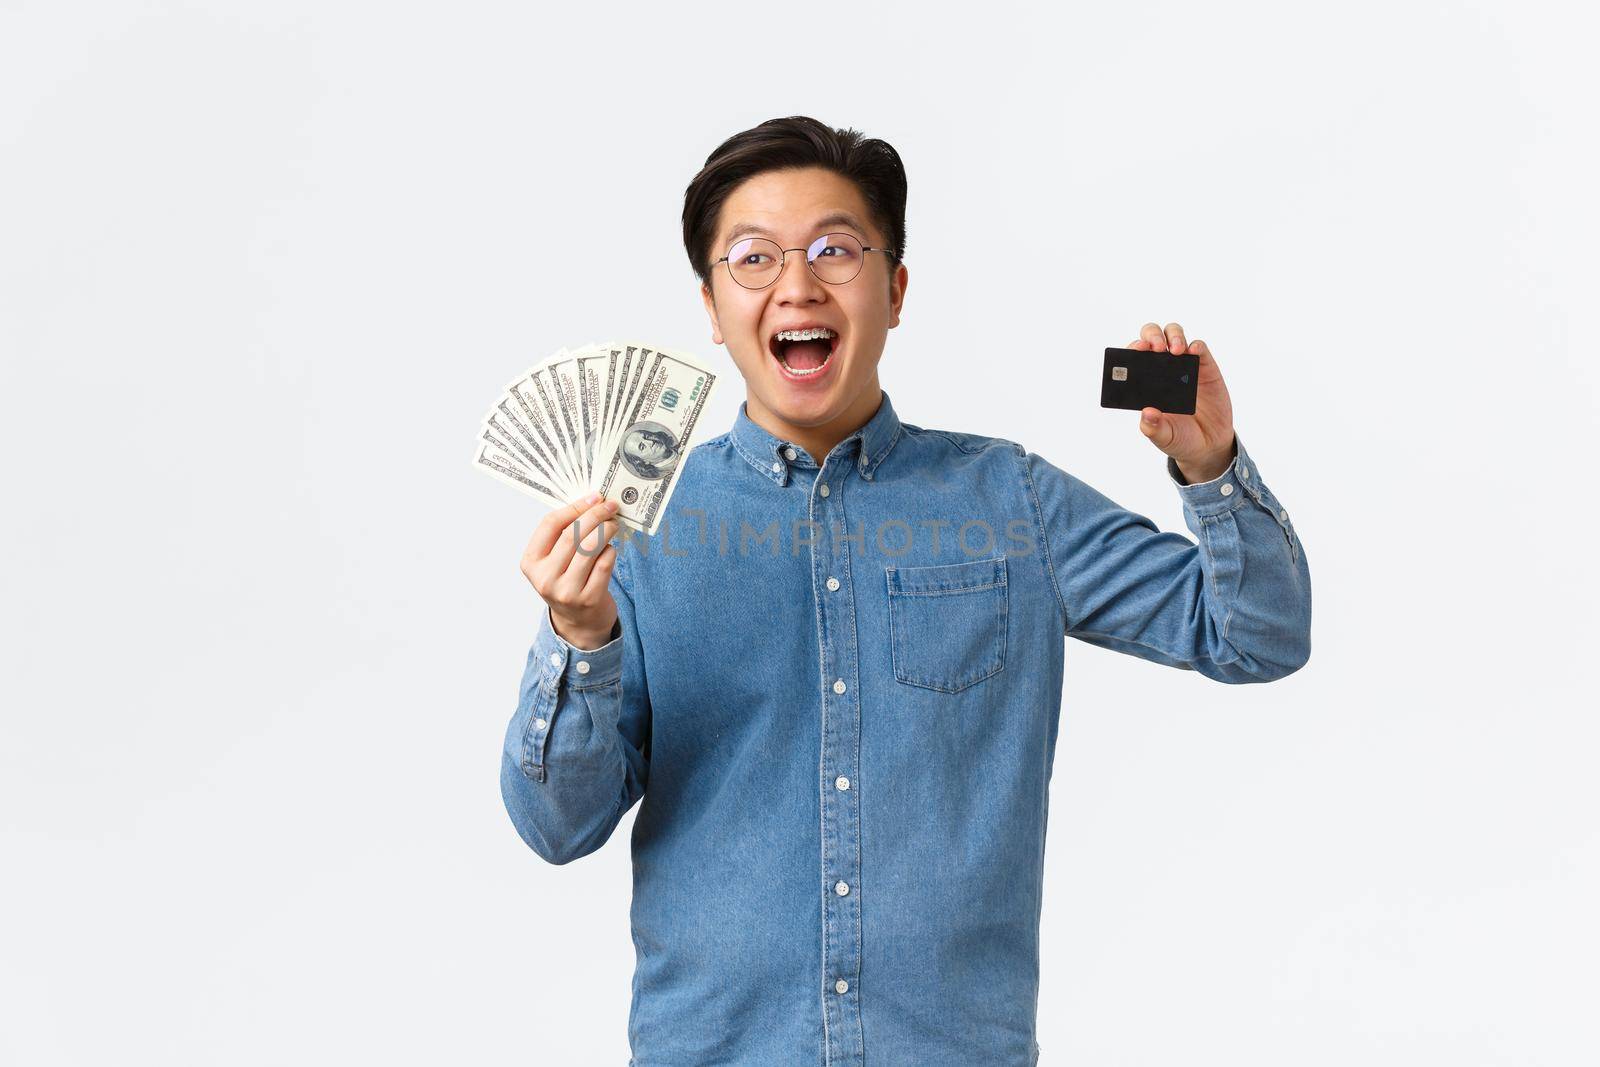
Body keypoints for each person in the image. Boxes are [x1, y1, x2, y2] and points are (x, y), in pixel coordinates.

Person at [500, 116, 1312, 1066]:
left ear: (895, 291)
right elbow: (556, 826)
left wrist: (1211, 465)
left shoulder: (1011, 502)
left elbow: (1257, 637)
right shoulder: (638, 528)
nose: (797, 284)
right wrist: (578, 630)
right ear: (713, 311)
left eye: (835, 250)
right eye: (753, 258)